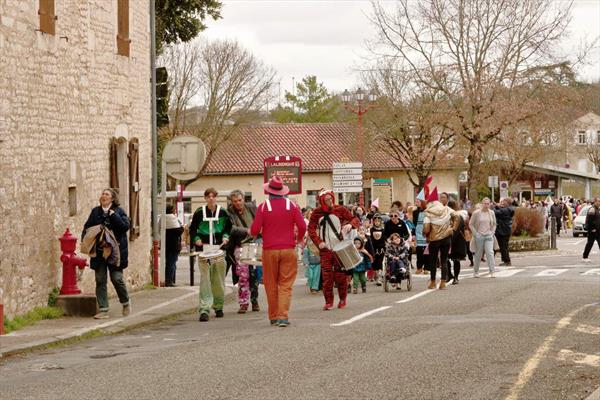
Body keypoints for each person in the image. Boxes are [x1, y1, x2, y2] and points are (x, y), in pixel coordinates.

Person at [250, 177, 306, 327]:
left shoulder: (263, 207)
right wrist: (299, 239)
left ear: (269, 191)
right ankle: (283, 316)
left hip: (269, 250)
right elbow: (302, 226)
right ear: (282, 192)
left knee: (270, 284)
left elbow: (254, 230)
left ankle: (274, 316)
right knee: (286, 284)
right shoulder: (292, 206)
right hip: (288, 249)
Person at [82, 188, 131, 319]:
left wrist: (113, 215)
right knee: (100, 279)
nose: (103, 196)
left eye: (106, 194)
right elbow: (87, 228)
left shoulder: (119, 211)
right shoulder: (95, 212)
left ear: (112, 199)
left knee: (117, 278)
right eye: (103, 194)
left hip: (115, 251)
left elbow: (125, 227)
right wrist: (86, 242)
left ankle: (125, 302)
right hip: (99, 252)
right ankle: (103, 309)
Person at [308, 189, 360, 310]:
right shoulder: (316, 213)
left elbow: (355, 219)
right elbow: (311, 229)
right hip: (325, 249)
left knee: (340, 276)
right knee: (327, 278)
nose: (330, 201)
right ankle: (328, 302)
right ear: (322, 201)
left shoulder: (340, 209)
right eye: (327, 200)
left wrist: (350, 225)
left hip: (340, 249)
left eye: (331, 198)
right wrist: (318, 242)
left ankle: (342, 299)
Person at [189, 188, 231, 322]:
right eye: (208, 196)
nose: (211, 199)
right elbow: (193, 229)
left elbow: (228, 228)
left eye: (213, 196)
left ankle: (218, 306)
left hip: (218, 248)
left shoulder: (223, 212)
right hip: (204, 250)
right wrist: (196, 239)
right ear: (205, 198)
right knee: (205, 280)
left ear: (216, 197)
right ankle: (204, 309)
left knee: (218, 279)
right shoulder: (199, 212)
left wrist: (225, 237)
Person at [226, 189, 261, 314]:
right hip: (240, 245)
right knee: (243, 275)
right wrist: (247, 230)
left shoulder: (251, 207)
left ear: (243, 199)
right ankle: (243, 303)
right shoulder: (229, 212)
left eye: (240, 200)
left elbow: (260, 220)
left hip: (254, 244)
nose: (238, 203)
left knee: (254, 275)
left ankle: (255, 300)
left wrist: (259, 230)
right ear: (232, 202)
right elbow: (232, 228)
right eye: (235, 201)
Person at [423, 187, 458, 290]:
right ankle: (443, 282)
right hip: (446, 238)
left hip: (434, 239)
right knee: (444, 260)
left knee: (433, 261)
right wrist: (452, 229)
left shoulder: (428, 212)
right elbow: (457, 217)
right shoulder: (447, 209)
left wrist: (426, 235)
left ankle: (433, 282)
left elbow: (426, 227)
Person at [469, 198, 497, 278]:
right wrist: (476, 234)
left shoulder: (491, 213)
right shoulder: (476, 213)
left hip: (489, 235)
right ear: (482, 204)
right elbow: (471, 224)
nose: (486, 205)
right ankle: (476, 271)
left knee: (490, 253)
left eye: (488, 204)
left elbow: (494, 224)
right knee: (478, 254)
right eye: (485, 203)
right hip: (479, 236)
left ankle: (492, 271)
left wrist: (492, 232)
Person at [447, 200, 468, 285]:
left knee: (452, 259)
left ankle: (454, 276)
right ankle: (453, 276)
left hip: (455, 240)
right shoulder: (451, 216)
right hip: (454, 240)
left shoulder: (458, 217)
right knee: (451, 260)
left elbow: (457, 229)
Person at [164, 204, 184, 287]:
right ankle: (169, 281)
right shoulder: (171, 218)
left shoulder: (164, 218)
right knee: (172, 263)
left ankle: (170, 280)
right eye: (174, 210)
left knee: (170, 262)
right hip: (173, 245)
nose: (175, 211)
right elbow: (179, 230)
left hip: (167, 244)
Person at [494, 198, 515, 267]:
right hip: (504, 230)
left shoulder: (507, 210)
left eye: (504, 202)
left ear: (507, 203)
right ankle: (505, 260)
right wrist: (497, 206)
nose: (502, 203)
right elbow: (500, 210)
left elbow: (496, 212)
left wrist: (494, 207)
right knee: (503, 247)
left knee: (504, 247)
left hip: (503, 231)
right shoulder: (509, 209)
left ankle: (507, 261)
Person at [370, 214, 386, 286]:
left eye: (378, 221)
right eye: (375, 221)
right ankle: (376, 275)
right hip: (374, 248)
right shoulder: (371, 229)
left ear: (380, 222)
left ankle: (379, 276)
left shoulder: (383, 230)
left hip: (381, 248)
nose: (377, 223)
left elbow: (385, 238)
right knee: (375, 262)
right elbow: (370, 239)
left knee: (380, 261)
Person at [582, 196, 600, 263]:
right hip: (593, 230)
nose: (599, 203)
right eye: (598, 201)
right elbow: (589, 220)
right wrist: (592, 228)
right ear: (595, 202)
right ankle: (585, 257)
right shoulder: (592, 209)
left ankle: (585, 256)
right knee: (590, 243)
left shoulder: (598, 209)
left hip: (598, 230)